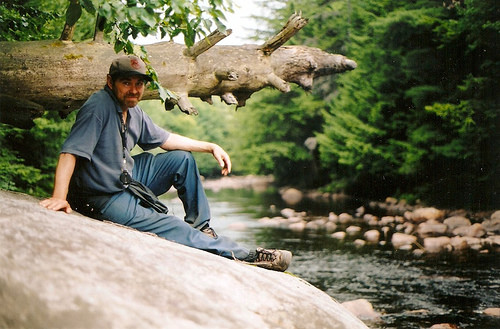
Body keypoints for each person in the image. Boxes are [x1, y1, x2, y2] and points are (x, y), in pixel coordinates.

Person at [39, 55, 292, 272]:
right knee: (170, 225)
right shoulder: (98, 106)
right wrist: (60, 197)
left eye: (139, 84)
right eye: (126, 82)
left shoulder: (134, 110)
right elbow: (70, 152)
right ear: (110, 82)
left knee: (181, 159)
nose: (134, 90)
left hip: (126, 176)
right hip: (102, 195)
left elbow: (167, 140)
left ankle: (201, 228)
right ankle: (246, 255)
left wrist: (210, 146)